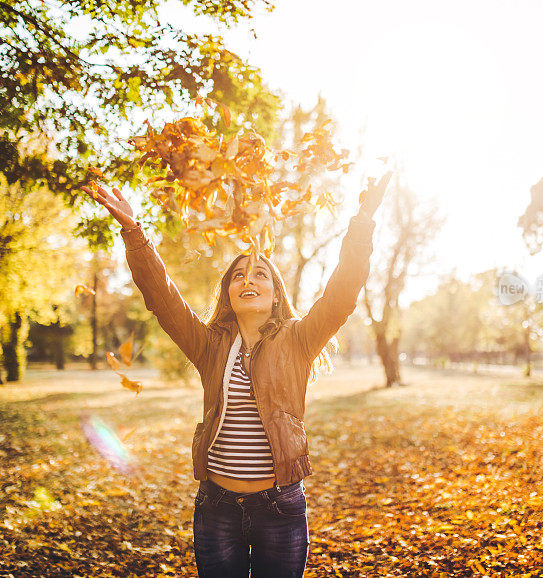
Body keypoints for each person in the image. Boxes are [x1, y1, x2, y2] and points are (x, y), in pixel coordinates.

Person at [85, 174, 389, 577]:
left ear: (276, 294)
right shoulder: (208, 345)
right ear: (228, 291)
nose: (249, 280)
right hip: (217, 508)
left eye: (261, 273)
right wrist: (133, 231)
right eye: (238, 275)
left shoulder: (298, 340)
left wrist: (363, 222)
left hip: (279, 507)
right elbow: (162, 295)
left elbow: (343, 291)